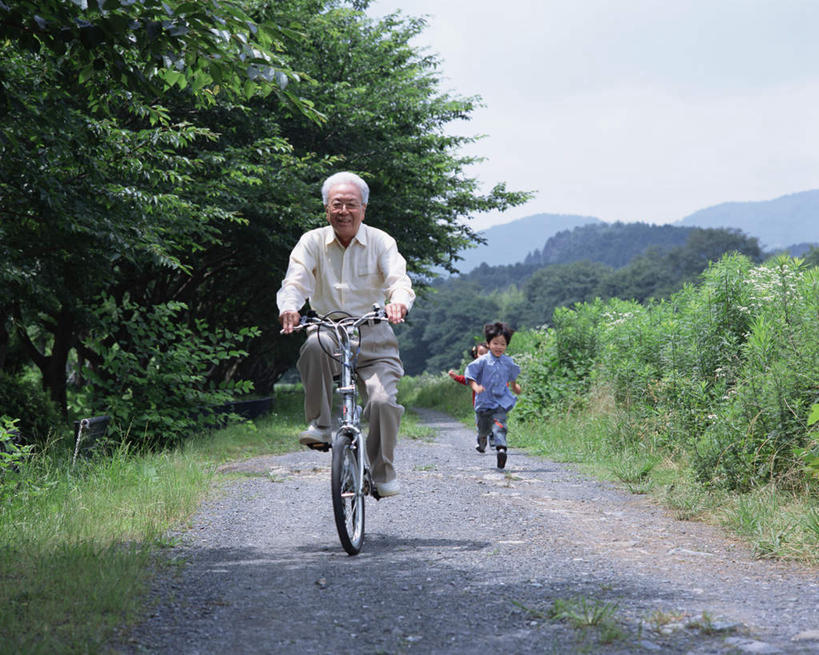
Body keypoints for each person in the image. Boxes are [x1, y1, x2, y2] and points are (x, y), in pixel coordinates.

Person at [277, 171, 415, 498]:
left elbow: (398, 280)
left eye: (351, 204)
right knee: (313, 344)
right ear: (326, 209)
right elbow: (295, 281)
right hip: (329, 330)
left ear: (363, 209)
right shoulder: (312, 242)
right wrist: (290, 307)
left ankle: (382, 472)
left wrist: (398, 303)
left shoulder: (381, 241)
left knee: (382, 402)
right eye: (336, 204)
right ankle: (321, 426)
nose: (343, 211)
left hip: (374, 335)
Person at [465, 322, 522, 470]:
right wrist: (476, 387)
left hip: (500, 401)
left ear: (506, 345)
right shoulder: (482, 361)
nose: (499, 347)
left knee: (500, 424)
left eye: (503, 344)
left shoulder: (508, 362)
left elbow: (512, 375)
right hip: (484, 402)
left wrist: (515, 386)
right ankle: (482, 439)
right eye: (495, 343)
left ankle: (501, 449)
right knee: (483, 429)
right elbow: (470, 375)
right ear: (488, 344)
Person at [448, 342, 490, 451]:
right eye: (481, 353)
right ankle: (482, 442)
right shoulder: (474, 369)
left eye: (487, 353)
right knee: (481, 425)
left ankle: (495, 438)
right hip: (479, 403)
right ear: (476, 355)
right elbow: (467, 380)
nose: (484, 356)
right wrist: (456, 377)